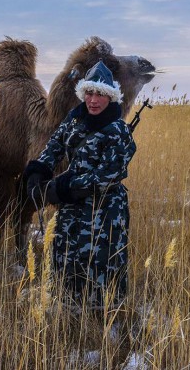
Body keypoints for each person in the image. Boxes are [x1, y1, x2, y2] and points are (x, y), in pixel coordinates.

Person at [23, 60, 136, 309]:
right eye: (90, 93)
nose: (93, 100)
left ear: (111, 97)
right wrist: (37, 171)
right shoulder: (75, 120)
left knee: (100, 260)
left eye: (100, 94)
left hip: (105, 208)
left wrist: (62, 187)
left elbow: (108, 175)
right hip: (71, 205)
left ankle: (104, 316)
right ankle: (67, 308)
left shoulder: (118, 131)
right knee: (64, 254)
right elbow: (54, 146)